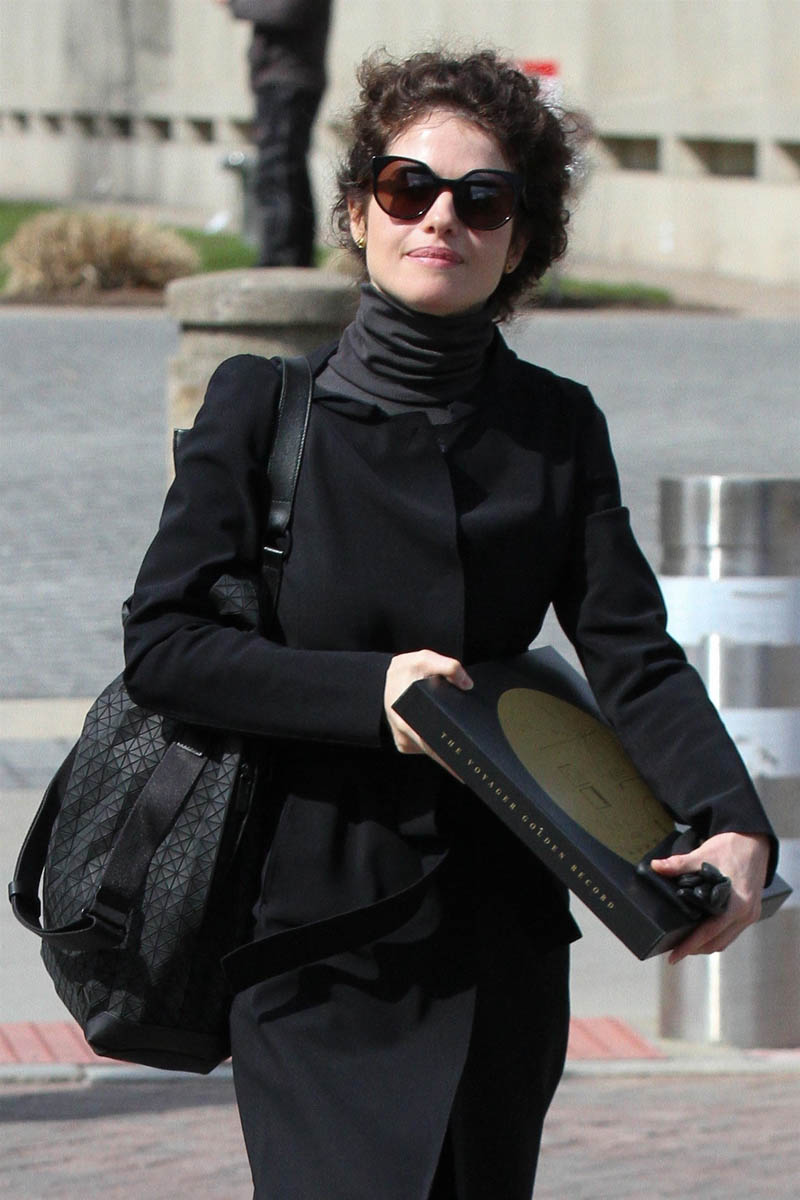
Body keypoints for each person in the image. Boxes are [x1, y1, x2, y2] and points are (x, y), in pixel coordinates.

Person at [124, 48, 777, 1199]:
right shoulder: (261, 408)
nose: (440, 219)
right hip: (309, 932)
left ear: (519, 241)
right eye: (406, 187)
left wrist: (731, 822)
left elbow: (629, 652)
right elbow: (166, 647)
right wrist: (367, 692)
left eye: (481, 199)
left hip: (497, 933)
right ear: (356, 213)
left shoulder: (554, 426)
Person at [217, 0, 332, 265]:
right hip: (283, 78)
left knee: (278, 172)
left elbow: (285, 11)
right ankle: (293, 257)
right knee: (285, 171)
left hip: (289, 80)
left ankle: (281, 258)